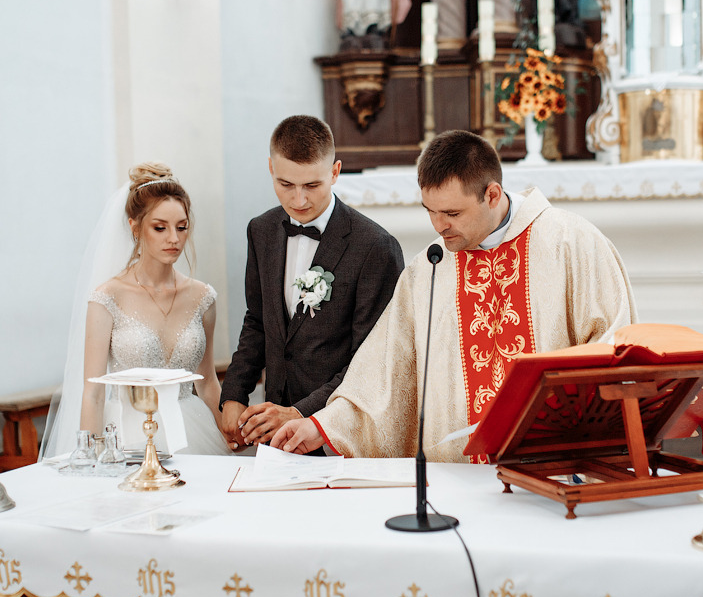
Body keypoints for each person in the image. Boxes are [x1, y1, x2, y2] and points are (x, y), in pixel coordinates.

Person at [271, 129, 636, 461]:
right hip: (456, 474)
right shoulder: (429, 268)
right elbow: (385, 369)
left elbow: (612, 346)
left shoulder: (572, 243)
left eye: (452, 212)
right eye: (430, 211)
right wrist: (322, 426)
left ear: (492, 194)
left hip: (551, 467)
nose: (439, 226)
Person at [218, 115, 404, 449]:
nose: (298, 200)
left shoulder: (374, 246)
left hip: (339, 432)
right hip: (273, 432)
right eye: (286, 185)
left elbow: (372, 359)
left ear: (335, 172)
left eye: (312, 186)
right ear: (271, 169)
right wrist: (233, 394)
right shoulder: (261, 231)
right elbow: (258, 320)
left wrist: (302, 413)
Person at [41, 163, 231, 459]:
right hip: (128, 435)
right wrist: (90, 460)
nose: (174, 238)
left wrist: (231, 438)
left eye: (182, 227)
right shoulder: (107, 297)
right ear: (134, 227)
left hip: (192, 432)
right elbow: (93, 393)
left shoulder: (202, 297)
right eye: (160, 228)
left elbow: (207, 383)